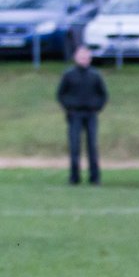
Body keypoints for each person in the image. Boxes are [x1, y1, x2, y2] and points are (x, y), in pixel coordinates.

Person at [56, 45, 107, 186]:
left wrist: (97, 107)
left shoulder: (95, 75)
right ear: (76, 58)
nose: (84, 59)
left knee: (92, 145)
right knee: (74, 145)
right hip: (75, 114)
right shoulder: (69, 75)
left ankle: (94, 177)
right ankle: (74, 177)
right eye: (81, 56)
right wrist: (69, 107)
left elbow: (103, 95)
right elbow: (61, 94)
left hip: (91, 114)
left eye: (86, 57)